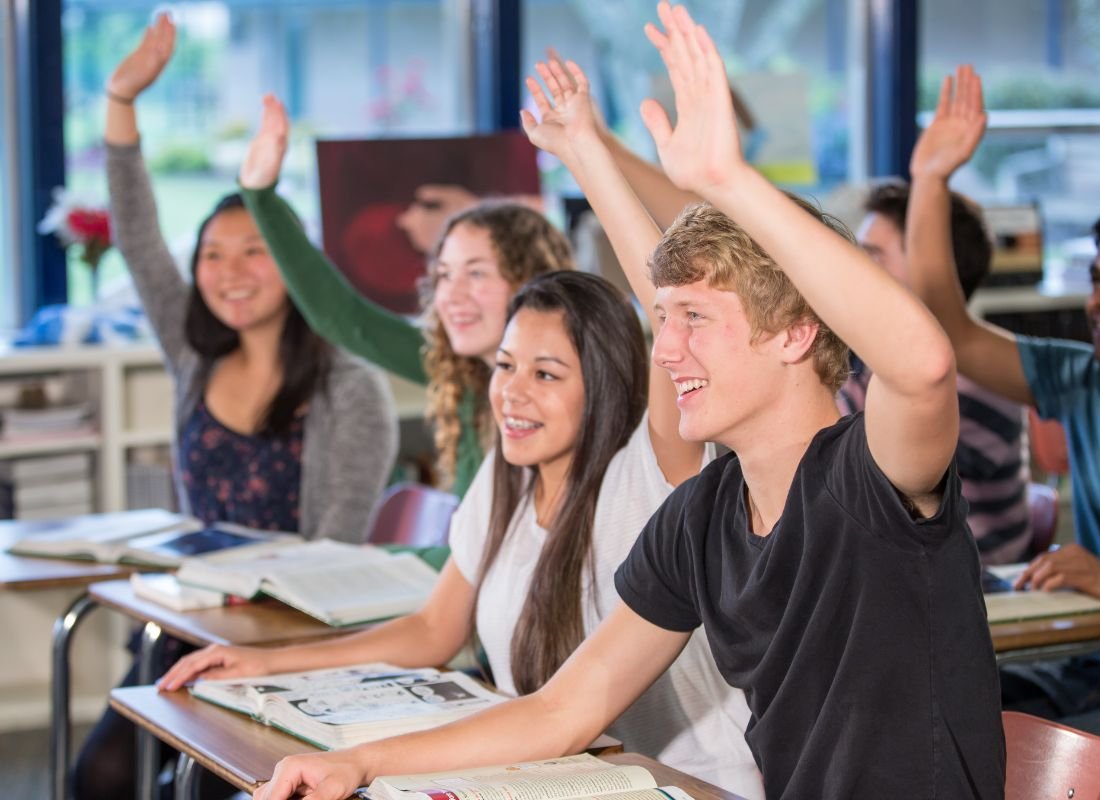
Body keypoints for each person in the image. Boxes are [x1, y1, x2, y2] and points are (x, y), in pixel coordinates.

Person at [245, 5, 1003, 799]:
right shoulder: (703, 516)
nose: (665, 348)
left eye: (696, 324)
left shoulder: (869, 476)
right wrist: (360, 762)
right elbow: (561, 711)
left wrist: (727, 182)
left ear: (795, 335)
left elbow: (921, 365)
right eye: (663, 324)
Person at [161, 269, 762, 798]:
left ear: (604, 386)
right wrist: (267, 665)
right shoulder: (511, 472)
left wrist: (584, 148)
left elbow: (661, 297)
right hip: (555, 773)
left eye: (546, 374)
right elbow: (432, 629)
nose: (512, 393)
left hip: (683, 783)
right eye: (505, 366)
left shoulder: (649, 471)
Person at [74, 16, 396, 800]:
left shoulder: (350, 392)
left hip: (290, 651)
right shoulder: (194, 358)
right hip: (189, 633)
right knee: (104, 777)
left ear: (291, 263)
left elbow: (332, 561)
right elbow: (141, 236)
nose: (232, 272)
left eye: (256, 250)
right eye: (213, 255)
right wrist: (121, 99)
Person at [904, 63, 1100, 799]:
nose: (1099, 300)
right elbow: (947, 330)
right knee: (921, 725)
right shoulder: (1083, 378)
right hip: (1092, 667)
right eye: (1097, 279)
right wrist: (930, 179)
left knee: (1052, 777)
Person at [239, 97, 575, 496]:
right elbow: (344, 319)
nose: (452, 295)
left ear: (530, 281)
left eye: (477, 273)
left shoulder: (562, 402)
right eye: (444, 275)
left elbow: (496, 557)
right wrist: (260, 195)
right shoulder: (465, 374)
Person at [840, 181, 1033, 564]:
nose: (855, 269)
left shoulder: (970, 382)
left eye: (874, 255)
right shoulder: (873, 357)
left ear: (935, 269)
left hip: (972, 589)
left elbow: (861, 485)